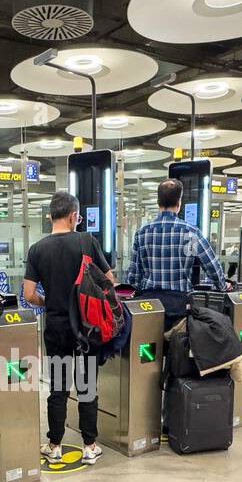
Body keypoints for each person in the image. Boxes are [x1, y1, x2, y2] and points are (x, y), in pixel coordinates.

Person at [23, 191, 114, 466]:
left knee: (58, 388)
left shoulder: (37, 249)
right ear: (74, 216)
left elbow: (28, 295)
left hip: (57, 327)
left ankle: (54, 445)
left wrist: (49, 302)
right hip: (86, 327)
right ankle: (89, 446)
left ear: (50, 215)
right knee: (87, 386)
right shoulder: (86, 241)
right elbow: (109, 281)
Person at [125, 179, 229, 329]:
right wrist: (222, 286)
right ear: (179, 202)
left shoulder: (142, 233)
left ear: (158, 201)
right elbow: (212, 266)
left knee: (150, 347)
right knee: (179, 346)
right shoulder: (190, 232)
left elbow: (133, 277)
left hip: (148, 305)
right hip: (180, 306)